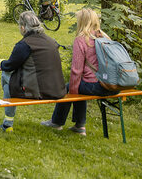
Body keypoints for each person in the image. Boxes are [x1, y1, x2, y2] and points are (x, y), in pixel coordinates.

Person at [41, 7, 114, 136]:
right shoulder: (104, 37)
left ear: (82, 22)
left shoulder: (81, 40)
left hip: (97, 85)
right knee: (78, 86)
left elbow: (76, 70)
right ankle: (78, 125)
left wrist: (72, 92)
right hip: (113, 85)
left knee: (71, 88)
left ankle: (58, 122)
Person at [0, 11, 66, 132]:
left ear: (23, 27)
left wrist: (1, 64)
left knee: (6, 78)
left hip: (38, 92)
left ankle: (7, 124)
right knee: (8, 81)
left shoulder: (24, 45)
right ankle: (7, 124)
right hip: (57, 89)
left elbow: (10, 65)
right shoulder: (51, 41)